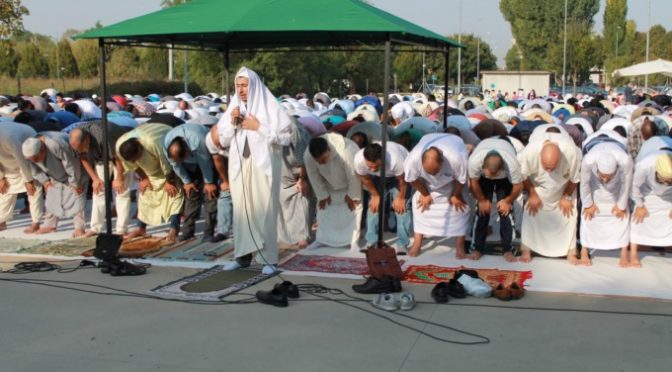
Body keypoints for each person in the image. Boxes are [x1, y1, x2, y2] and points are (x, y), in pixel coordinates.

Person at [216, 67, 291, 275]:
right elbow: (222, 139)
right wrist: (233, 122)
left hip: (263, 166)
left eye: (244, 85)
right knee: (242, 211)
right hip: (240, 165)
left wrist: (258, 127)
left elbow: (285, 138)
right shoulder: (235, 107)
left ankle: (268, 259)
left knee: (264, 210)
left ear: (254, 85)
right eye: (238, 86)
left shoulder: (271, 108)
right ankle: (241, 257)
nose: (240, 90)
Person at [519, 125, 582, 263]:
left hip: (564, 184)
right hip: (537, 185)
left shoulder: (572, 153)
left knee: (569, 213)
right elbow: (523, 176)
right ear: (540, 156)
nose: (549, 171)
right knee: (531, 210)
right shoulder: (530, 152)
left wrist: (566, 196)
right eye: (546, 166)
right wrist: (532, 194)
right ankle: (527, 249)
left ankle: (571, 251)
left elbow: (575, 178)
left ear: (560, 157)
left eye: (553, 167)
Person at [404, 133, 470, 258]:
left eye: (435, 171)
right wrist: (425, 194)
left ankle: (460, 245)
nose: (433, 174)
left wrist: (455, 195)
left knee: (462, 207)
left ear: (442, 162)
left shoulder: (456, 158)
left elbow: (461, 180)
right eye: (429, 171)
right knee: (418, 204)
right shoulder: (413, 160)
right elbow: (411, 179)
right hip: (426, 185)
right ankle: (417, 243)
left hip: (452, 183)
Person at [116, 123, 184, 242]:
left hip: (167, 159)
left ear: (139, 148)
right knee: (145, 193)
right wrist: (144, 178)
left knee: (175, 194)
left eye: (137, 157)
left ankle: (174, 228)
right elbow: (132, 166)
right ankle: (140, 228)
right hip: (149, 169)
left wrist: (169, 181)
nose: (136, 160)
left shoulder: (151, 142)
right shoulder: (120, 146)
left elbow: (166, 162)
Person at [69, 121, 133, 237]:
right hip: (100, 158)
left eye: (83, 148)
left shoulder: (102, 136)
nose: (82, 151)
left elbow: (117, 157)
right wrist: (95, 179)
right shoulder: (75, 139)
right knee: (98, 190)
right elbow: (82, 158)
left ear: (87, 140)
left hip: (121, 152)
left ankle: (121, 229)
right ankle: (95, 228)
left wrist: (119, 178)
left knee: (121, 190)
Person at [579, 130, 633, 266]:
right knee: (587, 215)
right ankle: (584, 251)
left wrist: (621, 205)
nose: (605, 179)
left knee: (623, 215)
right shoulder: (588, 160)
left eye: (608, 176)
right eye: (603, 175)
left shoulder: (625, 161)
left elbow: (626, 184)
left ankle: (623, 253)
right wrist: (589, 204)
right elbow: (584, 183)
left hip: (617, 187)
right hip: (594, 185)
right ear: (597, 168)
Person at [468, 137, 524, 262]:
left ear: (501, 168)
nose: (492, 178)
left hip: (504, 180)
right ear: (483, 166)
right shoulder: (474, 161)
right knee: (482, 210)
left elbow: (518, 186)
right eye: (489, 175)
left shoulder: (512, 164)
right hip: (483, 179)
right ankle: (477, 248)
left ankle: (508, 249)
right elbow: (473, 182)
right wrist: (482, 200)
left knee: (505, 211)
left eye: (494, 175)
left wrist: (508, 201)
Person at [22, 132, 89, 237]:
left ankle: (79, 227)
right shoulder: (30, 151)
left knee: (78, 195)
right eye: (31, 159)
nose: (34, 161)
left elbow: (71, 164)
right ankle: (50, 225)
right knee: (51, 196)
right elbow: (34, 169)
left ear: (42, 149)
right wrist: (45, 181)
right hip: (54, 175)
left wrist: (75, 183)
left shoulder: (55, 145)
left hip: (76, 170)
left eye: (35, 158)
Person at [303, 133, 363, 251]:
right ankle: (321, 239)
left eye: (323, 159)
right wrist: (322, 195)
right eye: (318, 161)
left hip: (348, 183)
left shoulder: (346, 151)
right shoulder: (308, 156)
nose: (321, 163)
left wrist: (352, 195)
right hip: (328, 185)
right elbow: (313, 176)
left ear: (329, 150)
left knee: (354, 209)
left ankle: (353, 241)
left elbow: (353, 176)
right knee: (324, 211)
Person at [354, 141, 412, 254]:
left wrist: (400, 197)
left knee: (402, 209)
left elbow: (402, 180)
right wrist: (375, 195)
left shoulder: (395, 160)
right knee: (374, 207)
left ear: (383, 159)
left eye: (376, 166)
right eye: (369, 166)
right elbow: (365, 179)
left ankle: (402, 244)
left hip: (400, 178)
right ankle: (372, 241)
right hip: (378, 178)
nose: (372, 169)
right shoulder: (359, 160)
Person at [164, 123, 218, 242]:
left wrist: (209, 182)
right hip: (191, 166)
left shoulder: (198, 141)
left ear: (187, 151)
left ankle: (209, 232)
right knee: (191, 195)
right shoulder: (167, 142)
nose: (181, 161)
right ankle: (187, 232)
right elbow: (175, 165)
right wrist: (187, 182)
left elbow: (206, 164)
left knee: (210, 195)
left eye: (182, 159)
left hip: (208, 160)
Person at [629, 142, 672, 268]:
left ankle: (668, 245)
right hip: (647, 189)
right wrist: (640, 205)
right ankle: (633, 255)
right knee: (638, 217)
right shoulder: (645, 165)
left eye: (668, 181)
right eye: (663, 179)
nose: (665, 183)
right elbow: (634, 186)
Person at [0, 123, 44, 233]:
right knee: (4, 191)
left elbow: (21, 159)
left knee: (33, 190)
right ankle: (1, 221)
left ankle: (36, 222)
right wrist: (1, 177)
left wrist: (28, 180)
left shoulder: (8, 136)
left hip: (28, 157)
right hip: (8, 162)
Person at [276, 119, 313, 247]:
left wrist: (302, 179)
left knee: (301, 200)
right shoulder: (267, 126)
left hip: (297, 173)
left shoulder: (294, 129)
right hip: (280, 171)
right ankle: (286, 235)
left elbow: (303, 158)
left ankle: (303, 236)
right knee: (281, 206)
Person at [205, 125, 232, 243]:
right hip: (228, 161)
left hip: (247, 161)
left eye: (221, 145)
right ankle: (223, 231)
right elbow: (218, 160)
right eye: (217, 145)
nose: (219, 147)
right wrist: (226, 181)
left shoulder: (240, 137)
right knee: (225, 196)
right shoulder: (210, 140)